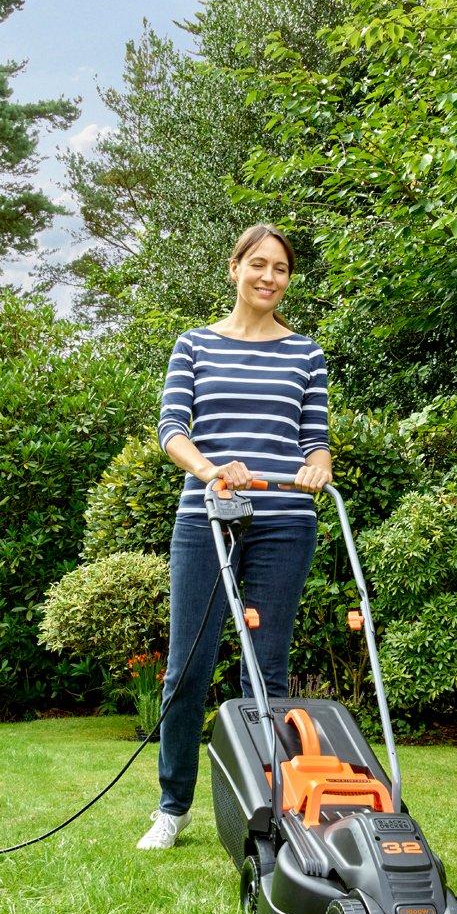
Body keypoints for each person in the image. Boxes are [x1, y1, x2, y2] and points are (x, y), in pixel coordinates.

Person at [139, 224, 332, 851]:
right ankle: (172, 807)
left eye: (280, 268)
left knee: (264, 670)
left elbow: (314, 437)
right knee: (187, 667)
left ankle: (269, 808)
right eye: (258, 264)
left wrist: (320, 465)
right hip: (208, 515)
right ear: (234, 268)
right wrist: (209, 471)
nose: (269, 277)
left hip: (284, 523)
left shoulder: (305, 352)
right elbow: (172, 429)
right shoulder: (193, 345)